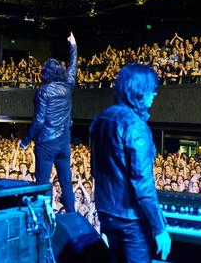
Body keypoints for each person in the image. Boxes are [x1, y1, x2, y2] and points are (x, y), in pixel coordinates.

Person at [89, 63, 171, 262]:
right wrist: (160, 228)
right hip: (131, 219)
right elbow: (142, 183)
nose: (155, 94)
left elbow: (95, 169)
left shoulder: (100, 119)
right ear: (139, 90)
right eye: (152, 88)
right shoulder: (135, 126)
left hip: (106, 211)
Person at [20, 32, 77, 213]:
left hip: (46, 142)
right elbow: (73, 66)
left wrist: (25, 141)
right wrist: (73, 46)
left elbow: (38, 121)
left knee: (43, 183)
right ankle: (72, 217)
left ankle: (44, 219)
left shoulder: (43, 91)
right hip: (64, 141)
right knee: (66, 184)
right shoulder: (68, 85)